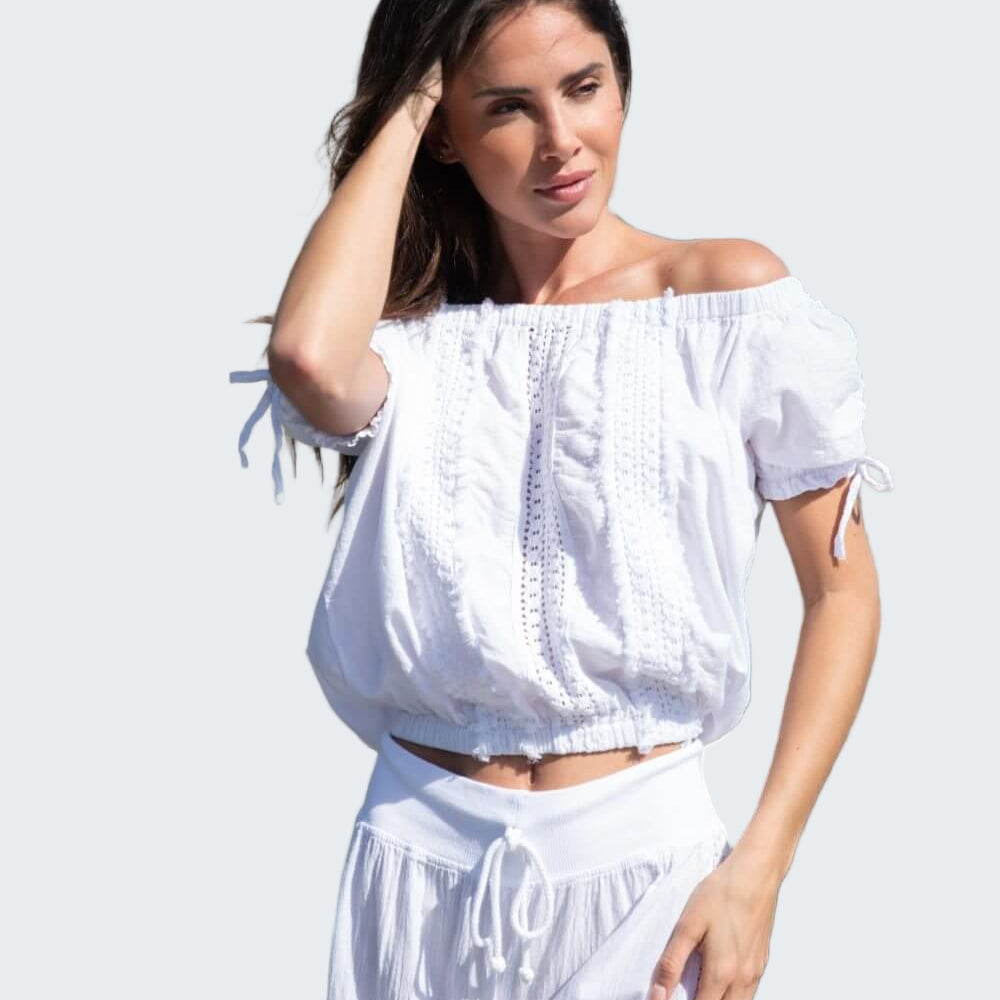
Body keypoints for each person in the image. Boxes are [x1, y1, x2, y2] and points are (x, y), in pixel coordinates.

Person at [228, 2, 894, 998]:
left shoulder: (723, 305)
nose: (561, 142)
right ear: (446, 132)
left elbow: (842, 597)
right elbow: (306, 358)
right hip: (415, 862)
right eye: (506, 108)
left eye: (583, 88)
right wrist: (413, 95)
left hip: (643, 870)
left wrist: (760, 867)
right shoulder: (408, 343)